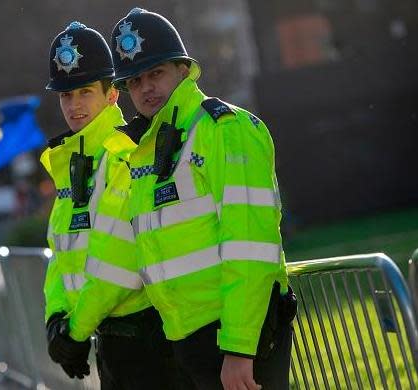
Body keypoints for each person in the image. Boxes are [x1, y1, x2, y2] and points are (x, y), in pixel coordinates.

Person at [105, 8, 297, 390]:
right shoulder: (146, 149)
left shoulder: (225, 129)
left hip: (237, 338)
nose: (146, 89)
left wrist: (240, 350)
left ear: (182, 69)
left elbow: (250, 244)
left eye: (156, 73)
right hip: (188, 341)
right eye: (135, 80)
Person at [41, 21, 188, 389]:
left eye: (84, 92)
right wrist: (55, 319)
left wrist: (74, 333)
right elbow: (60, 253)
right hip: (106, 339)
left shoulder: (127, 153)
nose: (73, 106)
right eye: (65, 96)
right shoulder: (70, 161)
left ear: (111, 96)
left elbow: (118, 261)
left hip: (147, 337)